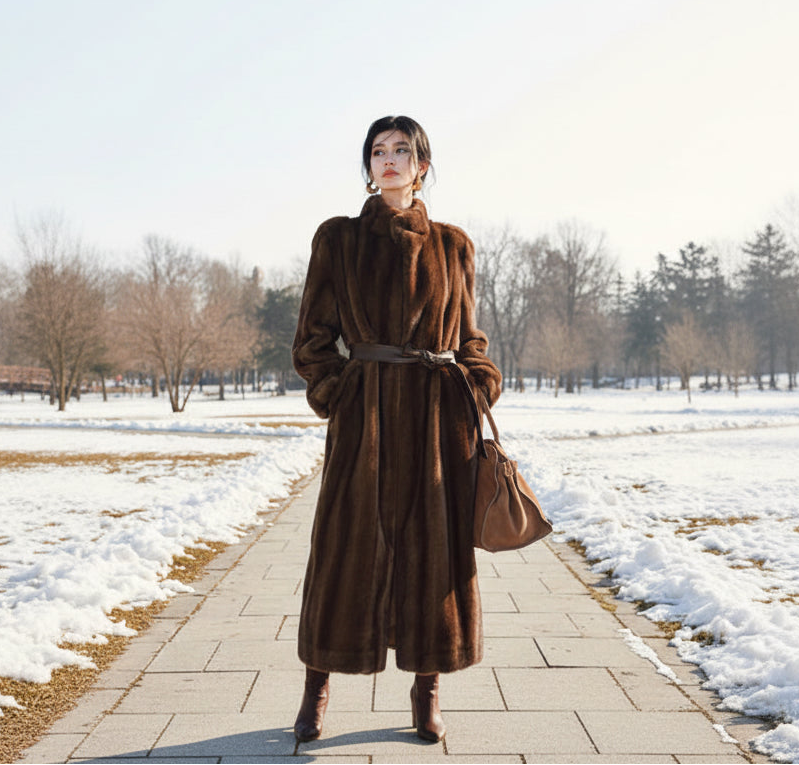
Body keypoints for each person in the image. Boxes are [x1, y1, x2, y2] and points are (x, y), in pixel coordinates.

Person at [291, 115, 502, 743]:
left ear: (422, 166)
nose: (389, 160)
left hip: (438, 424)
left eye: (401, 151)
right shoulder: (339, 241)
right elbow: (311, 339)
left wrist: (478, 381)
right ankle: (315, 686)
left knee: (432, 557)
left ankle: (426, 688)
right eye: (378, 151)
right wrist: (340, 393)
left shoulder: (453, 245)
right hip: (364, 419)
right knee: (339, 553)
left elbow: (470, 335)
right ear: (369, 166)